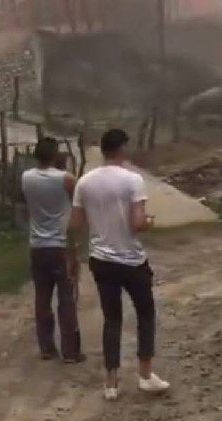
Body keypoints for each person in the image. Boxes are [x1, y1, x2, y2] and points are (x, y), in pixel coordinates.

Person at [69, 128, 168, 400]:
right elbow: (137, 223)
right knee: (145, 313)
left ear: (103, 150)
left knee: (112, 318)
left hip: (101, 259)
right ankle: (145, 375)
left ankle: (111, 383)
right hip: (131, 260)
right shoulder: (132, 180)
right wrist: (149, 222)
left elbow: (76, 224)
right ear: (123, 148)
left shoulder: (85, 182)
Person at [21, 137, 84, 363]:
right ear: (56, 155)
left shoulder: (26, 177)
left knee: (42, 297)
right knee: (67, 297)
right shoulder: (66, 179)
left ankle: (46, 347)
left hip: (37, 245)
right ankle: (71, 351)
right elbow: (78, 201)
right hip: (61, 245)